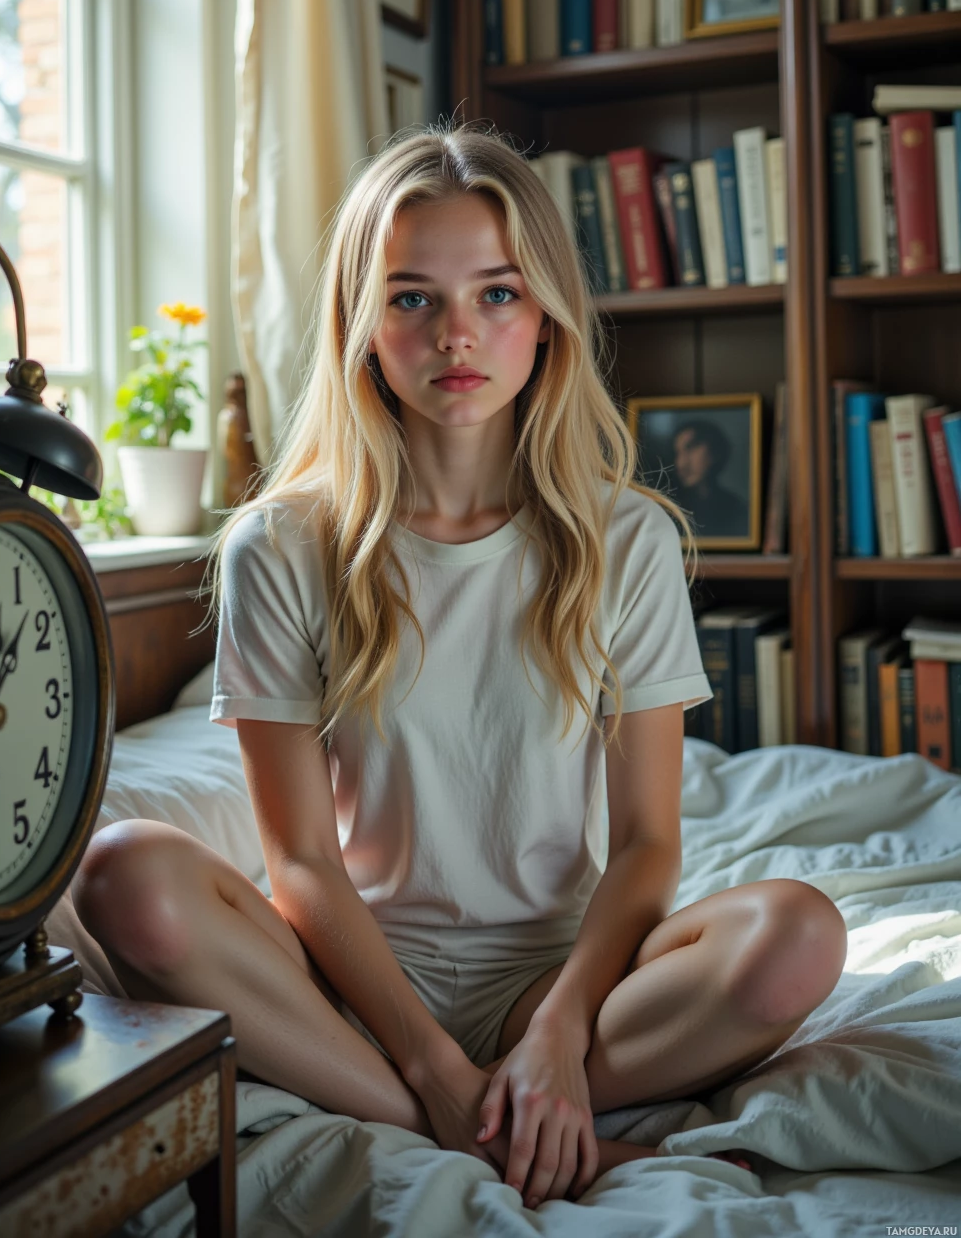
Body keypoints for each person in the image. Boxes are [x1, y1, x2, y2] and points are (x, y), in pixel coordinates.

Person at [74, 125, 846, 1210]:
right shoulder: (280, 546)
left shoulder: (626, 541)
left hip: (564, 974)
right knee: (122, 875)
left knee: (797, 935)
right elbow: (299, 863)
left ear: (545, 317)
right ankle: (466, 1120)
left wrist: (561, 1033)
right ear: (361, 322)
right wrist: (433, 1067)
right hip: (349, 981)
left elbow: (645, 845)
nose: (456, 335)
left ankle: (512, 1098)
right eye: (411, 298)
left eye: (495, 292)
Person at [671, 418, 749, 540]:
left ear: (715, 452)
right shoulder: (669, 509)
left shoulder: (737, 510)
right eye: (678, 453)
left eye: (691, 448)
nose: (681, 464)